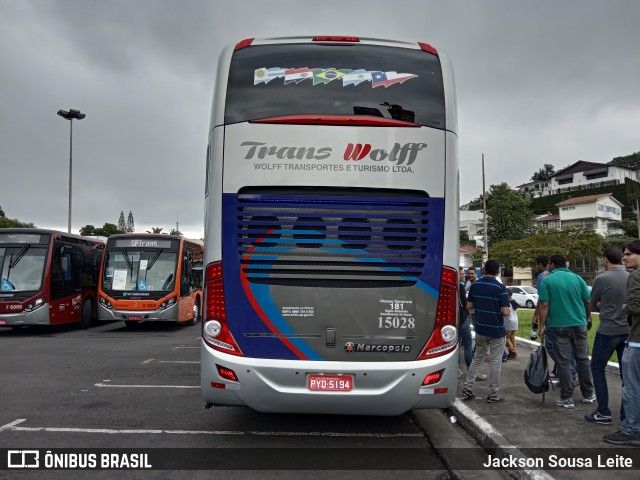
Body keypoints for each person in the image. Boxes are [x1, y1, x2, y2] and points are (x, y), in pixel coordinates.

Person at [538, 254, 595, 409]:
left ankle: (567, 398)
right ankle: (589, 394)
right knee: (583, 359)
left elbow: (543, 304)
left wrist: (541, 326)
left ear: (551, 265)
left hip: (559, 326)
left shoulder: (547, 280)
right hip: (580, 324)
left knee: (563, 361)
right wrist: (588, 317)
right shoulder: (578, 279)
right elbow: (587, 300)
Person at [586, 246, 629, 425]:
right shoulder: (631, 276)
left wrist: (603, 305)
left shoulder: (601, 278)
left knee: (597, 368)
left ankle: (603, 411)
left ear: (606, 259)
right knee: (627, 375)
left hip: (607, 331)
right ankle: (626, 415)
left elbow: (592, 305)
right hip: (628, 331)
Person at [603, 240, 640, 446]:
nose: (624, 257)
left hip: (636, 342)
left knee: (632, 388)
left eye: (629, 254)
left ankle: (631, 430)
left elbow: (634, 306)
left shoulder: (636, 276)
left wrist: (624, 306)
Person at [462, 260, 510, 403]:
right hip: (496, 330)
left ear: (483, 271)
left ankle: (468, 388)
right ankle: (493, 394)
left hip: (480, 328)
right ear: (497, 272)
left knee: (477, 358)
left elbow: (469, 306)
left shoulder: (475, 285)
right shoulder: (501, 288)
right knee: (496, 362)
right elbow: (506, 312)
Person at [504, 290, 519, 359]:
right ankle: (512, 351)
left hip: (508, 322)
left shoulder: (506, 303)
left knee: (506, 338)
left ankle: (512, 351)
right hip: (515, 322)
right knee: (512, 338)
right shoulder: (514, 302)